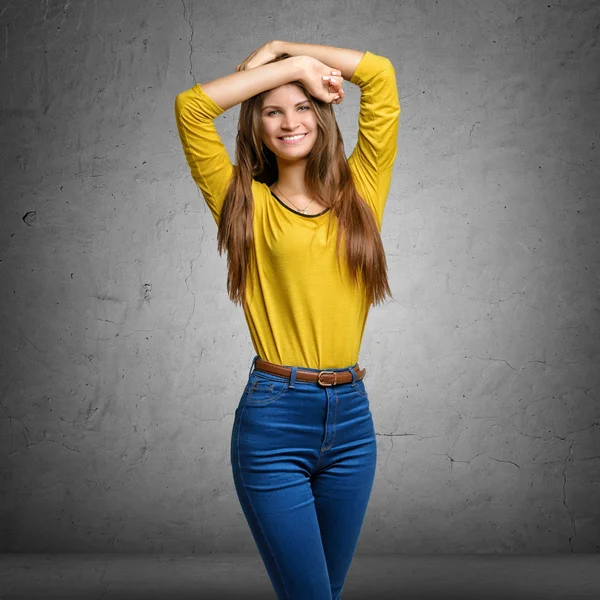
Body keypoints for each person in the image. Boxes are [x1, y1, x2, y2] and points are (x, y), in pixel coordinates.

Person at [174, 39, 399, 600]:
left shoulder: (362, 192)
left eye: (302, 106)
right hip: (276, 420)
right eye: (272, 110)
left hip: (352, 422)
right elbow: (191, 109)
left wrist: (281, 48)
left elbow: (381, 76)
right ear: (255, 126)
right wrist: (296, 70)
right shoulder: (242, 203)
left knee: (325, 591)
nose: (289, 121)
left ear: (323, 117)